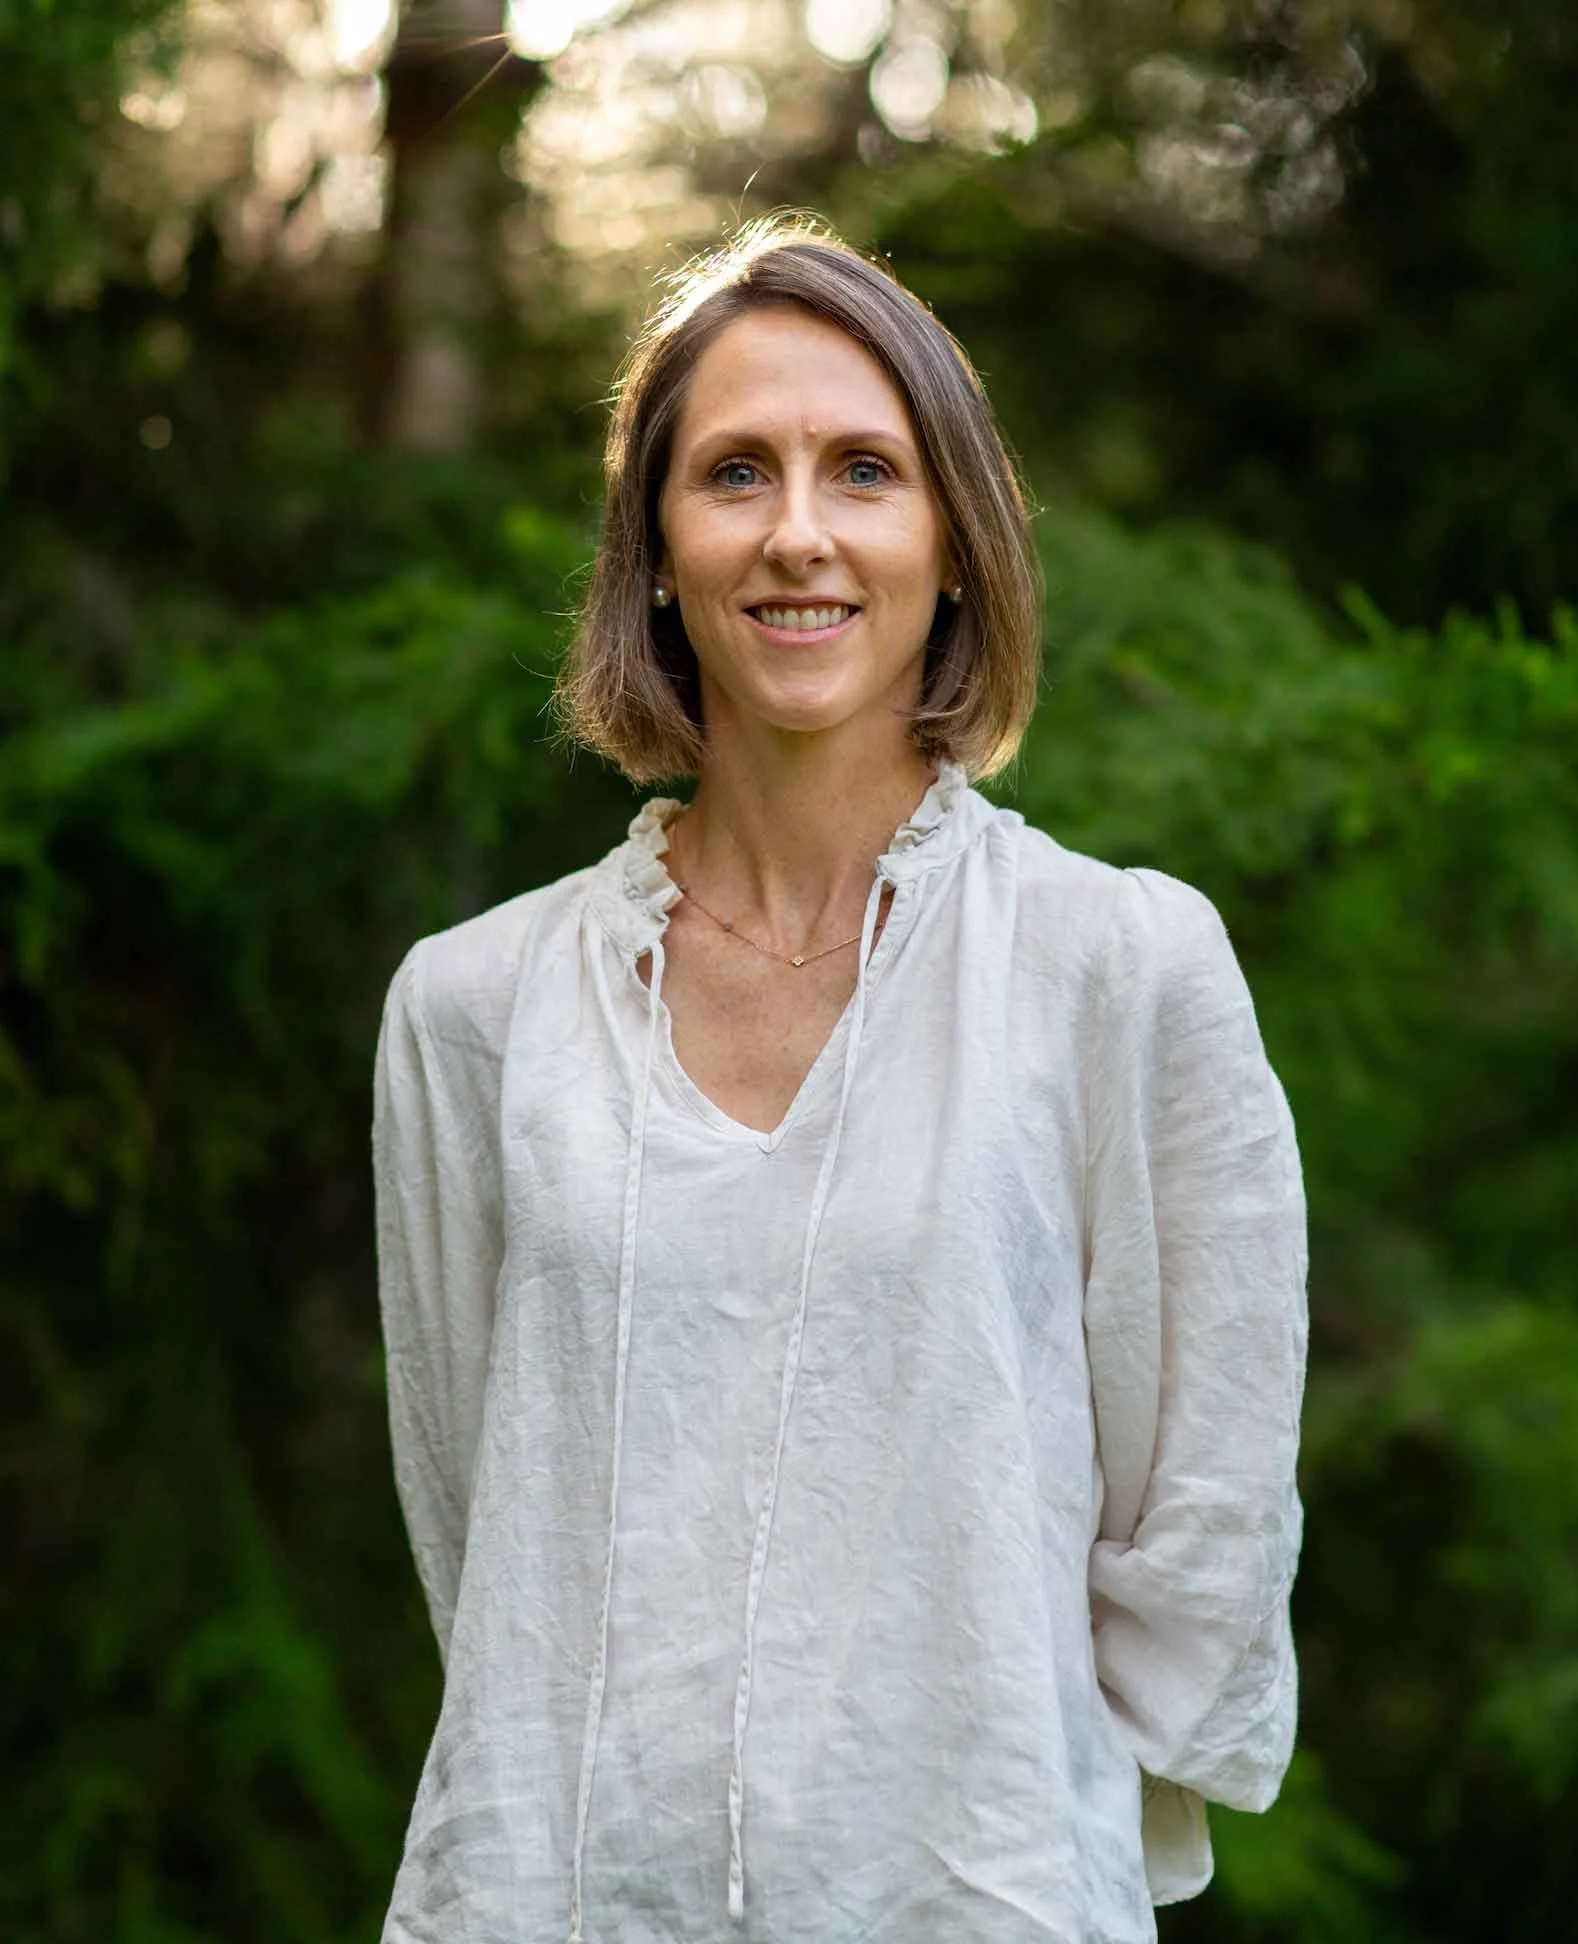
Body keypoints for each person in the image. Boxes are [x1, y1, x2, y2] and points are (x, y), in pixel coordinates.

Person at [372, 215, 1308, 1944]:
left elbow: (1208, 1533)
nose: (796, 533)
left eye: (862, 471)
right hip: (551, 1898)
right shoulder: (473, 1010)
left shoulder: (1114, 971)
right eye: (735, 472)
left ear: (952, 541)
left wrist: (997, 1799)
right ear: (654, 547)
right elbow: (475, 1523)